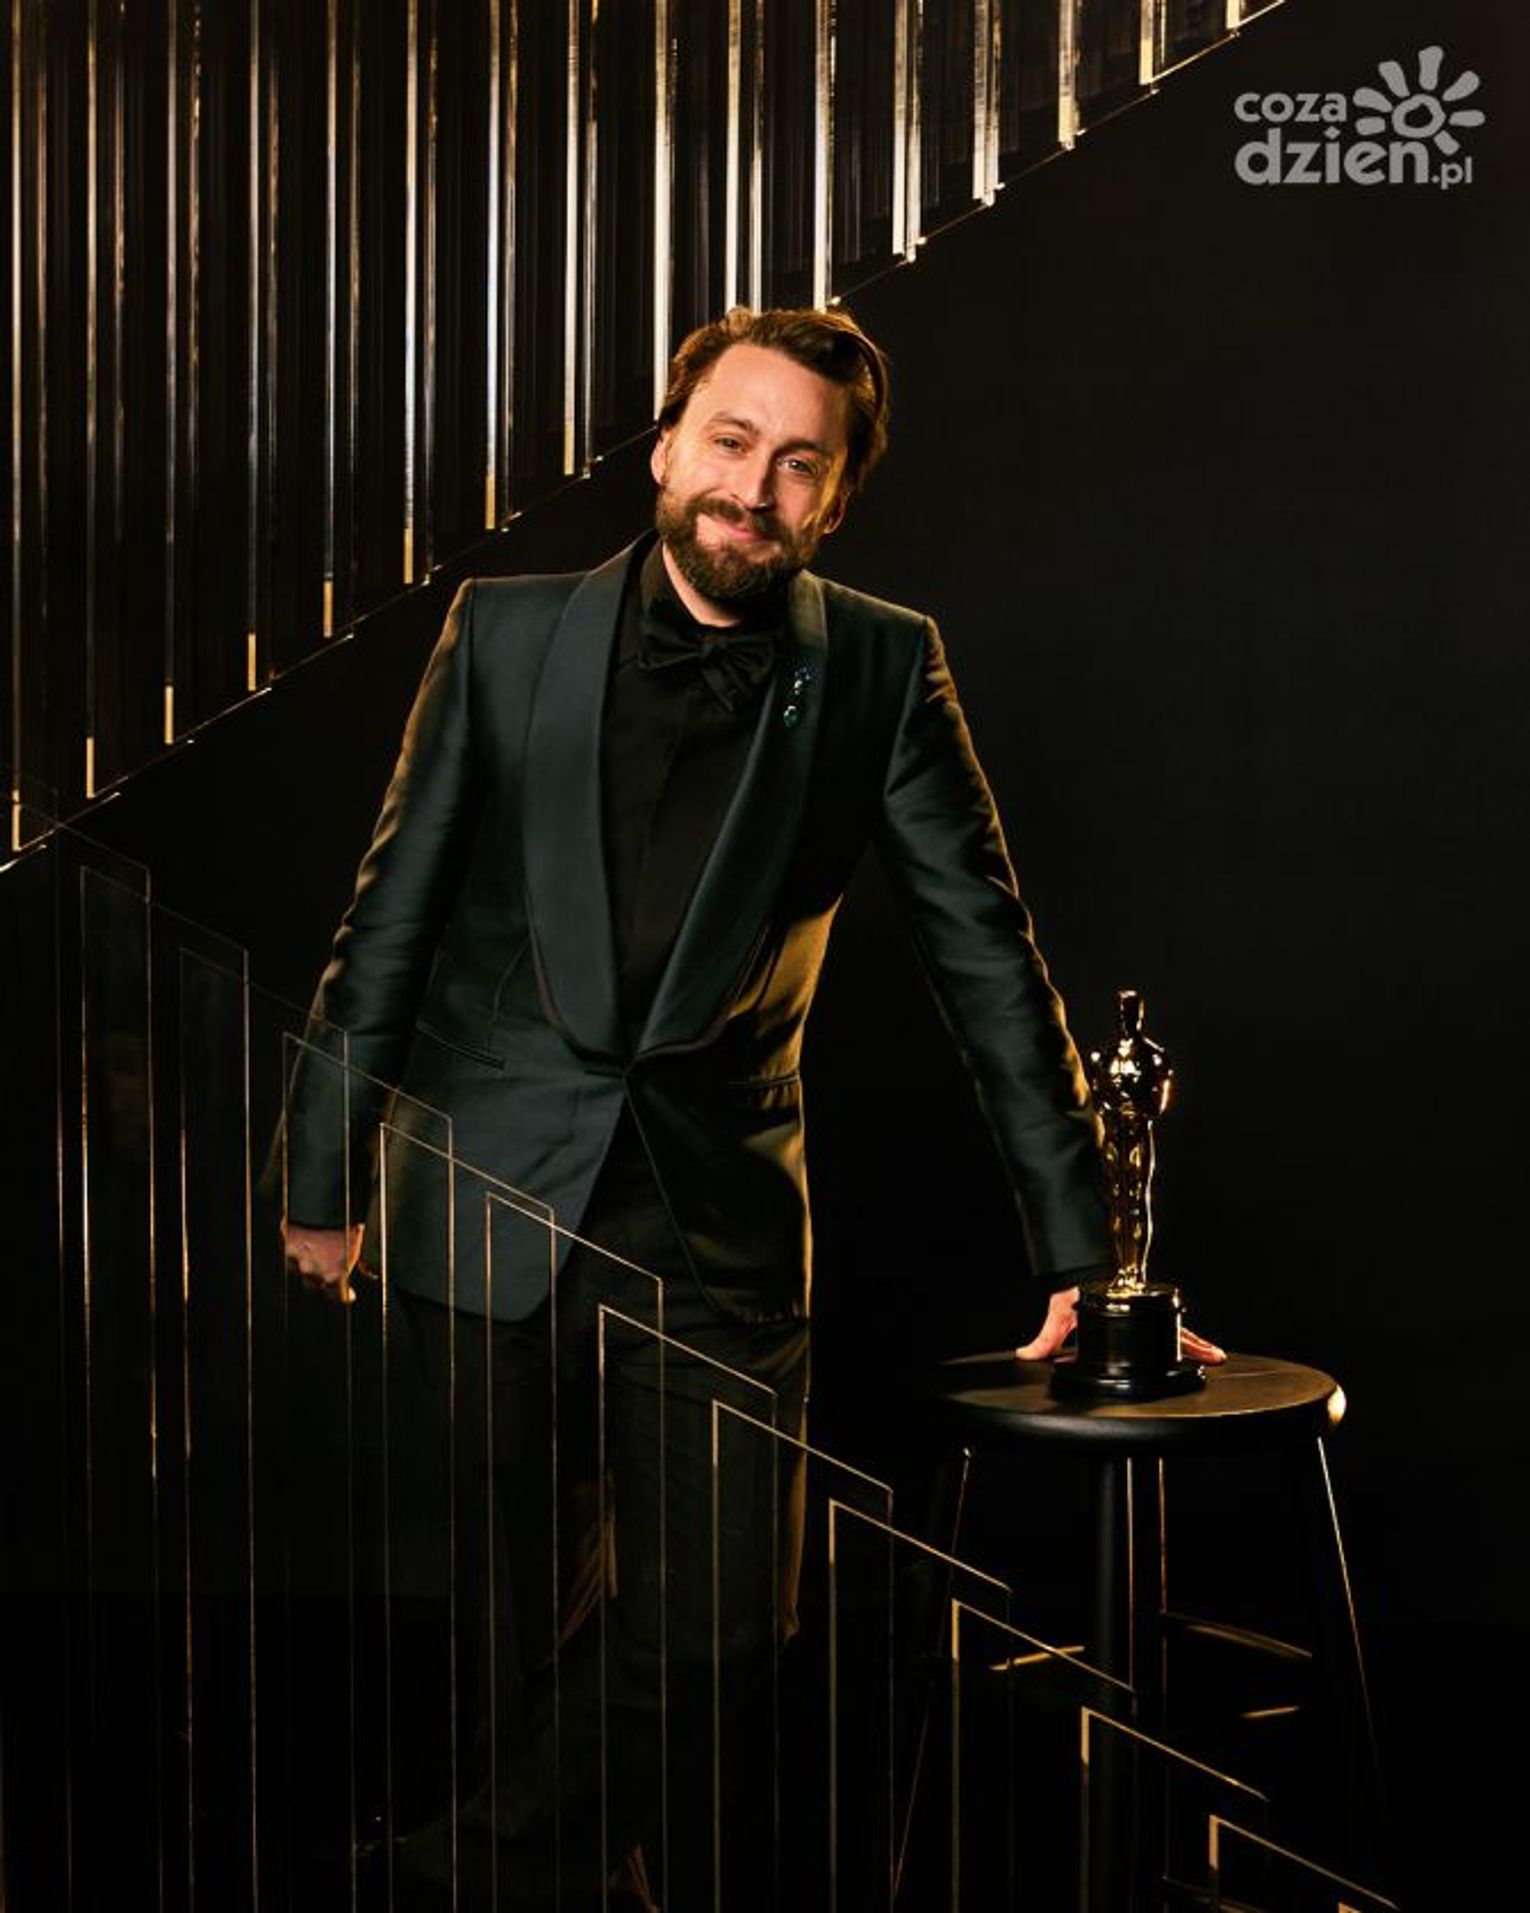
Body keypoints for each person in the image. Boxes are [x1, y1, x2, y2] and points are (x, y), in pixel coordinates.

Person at [279, 305, 1220, 1909]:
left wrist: (1087, 1251)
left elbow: (988, 962)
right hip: (482, 1190)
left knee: (722, 1620)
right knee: (519, 1630)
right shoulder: (499, 632)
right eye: (729, 442)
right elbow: (393, 913)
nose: (752, 485)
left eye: (799, 463)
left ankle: (442, 1879)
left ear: (834, 498)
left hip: (715, 1220)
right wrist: (322, 1169)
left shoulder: (883, 667)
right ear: (664, 447)